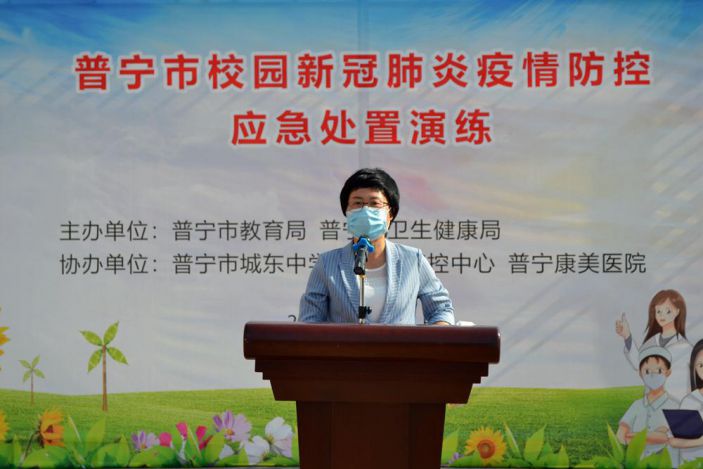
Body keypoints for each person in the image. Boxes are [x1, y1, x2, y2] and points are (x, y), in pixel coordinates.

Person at [299, 168, 455, 325]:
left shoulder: (413, 259)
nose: (366, 211)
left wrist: (436, 334)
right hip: (345, 343)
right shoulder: (327, 263)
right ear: (347, 211)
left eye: (375, 204)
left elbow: (441, 309)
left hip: (401, 343)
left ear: (390, 213)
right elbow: (309, 319)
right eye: (357, 203)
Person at [615, 290, 692, 402]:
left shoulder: (686, 348)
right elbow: (638, 363)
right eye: (658, 311)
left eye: (668, 311)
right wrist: (627, 336)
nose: (662, 315)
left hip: (676, 404)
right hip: (652, 402)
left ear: (677, 311)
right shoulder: (651, 342)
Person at [617, 346, 679, 462]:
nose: (653, 375)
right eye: (647, 371)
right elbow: (621, 434)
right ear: (640, 374)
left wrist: (633, 436)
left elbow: (666, 438)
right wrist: (653, 435)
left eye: (659, 370)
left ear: (668, 372)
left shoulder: (675, 406)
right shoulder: (636, 405)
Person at [669, 339, 703, 463]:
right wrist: (700, 441)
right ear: (695, 369)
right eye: (701, 365)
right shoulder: (690, 401)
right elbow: (674, 441)